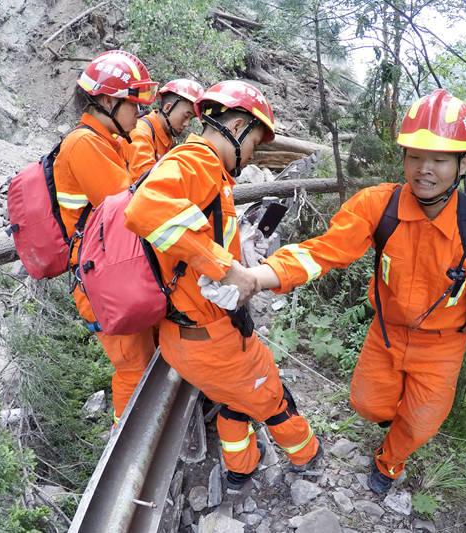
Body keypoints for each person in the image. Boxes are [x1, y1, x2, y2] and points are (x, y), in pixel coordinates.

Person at [217, 89, 466, 494]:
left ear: (463, 163)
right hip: (387, 332)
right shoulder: (379, 206)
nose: (424, 169)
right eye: (415, 156)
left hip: (443, 347)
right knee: (366, 404)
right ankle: (393, 420)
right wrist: (259, 276)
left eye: (439, 159)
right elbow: (324, 252)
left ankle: (389, 462)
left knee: (421, 423)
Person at [123, 80, 322, 491]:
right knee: (270, 397)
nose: (251, 158)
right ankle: (308, 458)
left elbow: (194, 239)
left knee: (235, 399)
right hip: (211, 339)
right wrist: (226, 269)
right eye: (253, 145)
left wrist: (240, 252)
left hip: (190, 334)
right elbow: (144, 207)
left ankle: (240, 470)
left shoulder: (209, 174)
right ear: (237, 125)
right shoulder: (197, 161)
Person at [54, 50, 160, 423]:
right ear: (108, 101)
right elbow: (131, 206)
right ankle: (127, 444)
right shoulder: (83, 144)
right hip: (101, 279)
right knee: (133, 367)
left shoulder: (110, 140)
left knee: (147, 356)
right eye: (134, 105)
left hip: (113, 267)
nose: (140, 113)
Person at [122, 79, 204, 180]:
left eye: (190, 119)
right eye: (186, 116)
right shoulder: (141, 133)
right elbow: (146, 183)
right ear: (167, 108)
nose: (186, 124)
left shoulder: (167, 137)